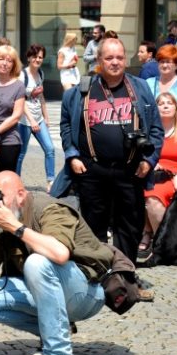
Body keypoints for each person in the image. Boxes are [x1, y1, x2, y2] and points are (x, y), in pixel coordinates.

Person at [0, 171, 109, 355]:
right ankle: (57, 331)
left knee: (37, 262)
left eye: (0, 197)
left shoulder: (50, 208)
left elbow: (59, 254)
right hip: (49, 290)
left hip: (86, 291)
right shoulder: (5, 221)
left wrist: (15, 227)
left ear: (21, 195)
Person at [57, 36, 163, 261]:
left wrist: (149, 161)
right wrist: (72, 155)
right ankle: (99, 277)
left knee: (129, 228)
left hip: (131, 169)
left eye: (120, 57)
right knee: (93, 228)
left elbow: (156, 128)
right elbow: (66, 123)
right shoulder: (82, 91)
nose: (115, 62)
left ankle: (125, 278)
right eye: (109, 58)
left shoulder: (140, 87)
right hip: (92, 170)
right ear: (99, 60)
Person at [138, 92, 177, 260]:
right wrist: (151, 162)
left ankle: (162, 242)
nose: (165, 106)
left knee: (153, 197)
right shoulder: (150, 131)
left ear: (176, 108)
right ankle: (148, 233)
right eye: (161, 103)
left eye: (169, 103)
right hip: (153, 172)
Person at [16, 43, 56, 190]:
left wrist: (46, 117)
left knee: (50, 149)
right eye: (35, 56)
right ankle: (16, 182)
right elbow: (20, 100)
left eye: (40, 57)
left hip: (38, 119)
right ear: (29, 57)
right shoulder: (22, 75)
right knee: (21, 153)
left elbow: (41, 96)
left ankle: (51, 181)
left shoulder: (41, 74)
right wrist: (31, 120)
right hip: (24, 121)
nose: (38, 60)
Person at [0, 45, 26, 172]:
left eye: (9, 60)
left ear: (14, 65)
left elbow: (16, 116)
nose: (5, 63)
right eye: (1, 59)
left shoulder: (18, 86)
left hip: (9, 138)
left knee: (6, 179)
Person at [145, 45, 177, 123]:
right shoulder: (148, 83)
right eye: (162, 62)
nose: (164, 65)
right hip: (153, 131)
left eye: (168, 62)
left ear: (176, 65)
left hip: (176, 130)